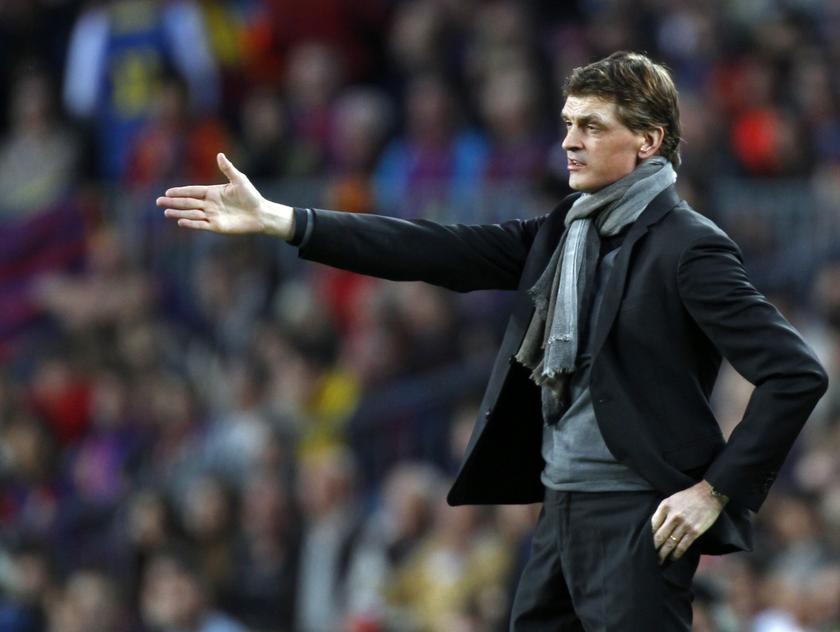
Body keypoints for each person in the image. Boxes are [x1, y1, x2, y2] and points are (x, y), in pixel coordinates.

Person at [157, 51, 828, 630]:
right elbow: (432, 249)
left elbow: (795, 373)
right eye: (568, 124)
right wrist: (285, 220)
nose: (569, 141)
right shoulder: (565, 233)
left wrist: (714, 491)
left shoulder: (690, 248)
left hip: (636, 515)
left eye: (592, 127)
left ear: (648, 141)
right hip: (559, 511)